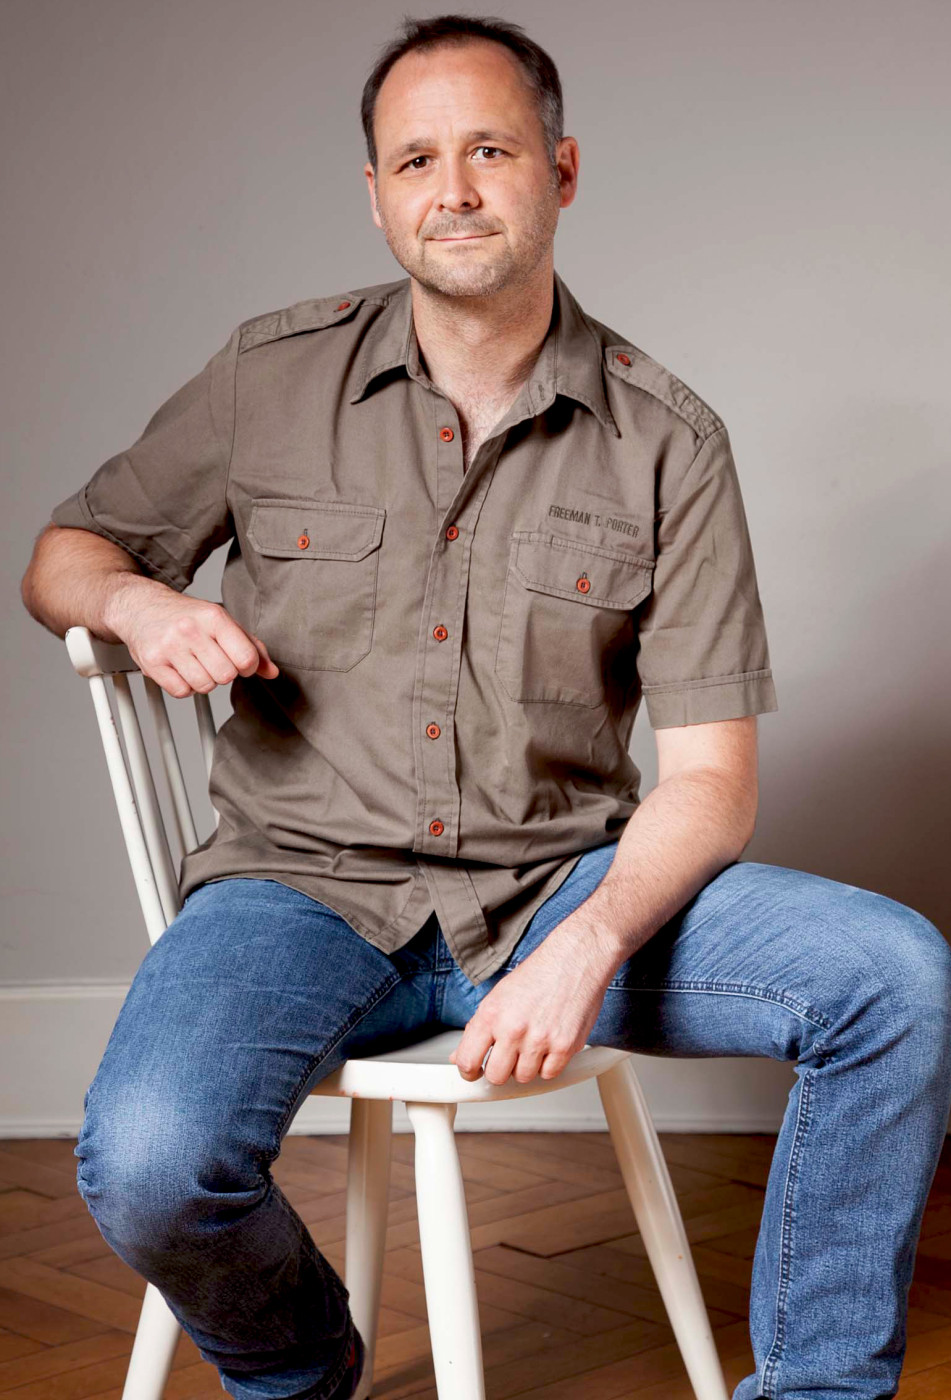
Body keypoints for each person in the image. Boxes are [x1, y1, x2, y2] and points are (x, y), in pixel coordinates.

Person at [20, 13, 951, 1400]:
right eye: (417, 160)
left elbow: (711, 782)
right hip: (297, 889)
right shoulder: (269, 377)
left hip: (562, 888)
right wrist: (140, 606)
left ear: (560, 171)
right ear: (378, 193)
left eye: (490, 151)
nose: (451, 189)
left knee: (895, 978)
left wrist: (590, 946)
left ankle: (817, 1390)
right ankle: (303, 1374)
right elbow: (63, 558)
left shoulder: (669, 440)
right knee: (153, 1162)